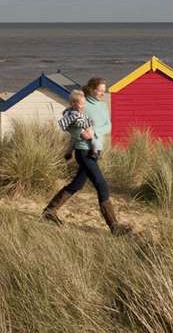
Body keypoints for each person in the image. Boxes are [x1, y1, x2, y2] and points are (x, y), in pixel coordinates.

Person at [42, 77, 131, 235]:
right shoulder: (82, 102)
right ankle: (114, 227)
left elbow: (108, 125)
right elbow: (67, 122)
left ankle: (50, 212)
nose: (103, 94)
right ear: (91, 89)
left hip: (96, 150)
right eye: (100, 90)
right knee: (101, 185)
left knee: (77, 184)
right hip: (83, 150)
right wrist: (81, 133)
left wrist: (95, 132)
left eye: (105, 91)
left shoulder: (103, 106)